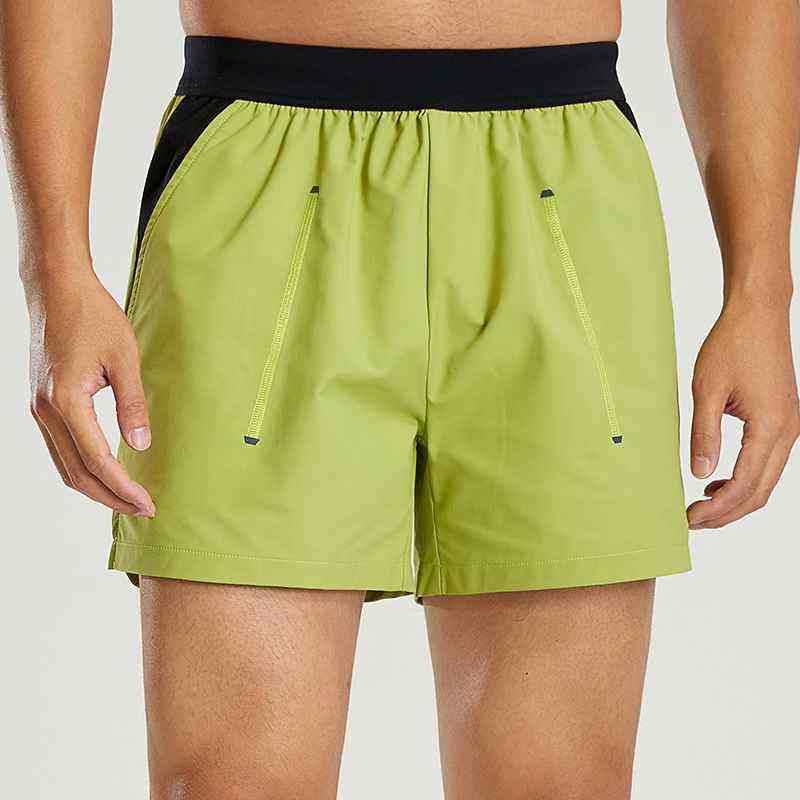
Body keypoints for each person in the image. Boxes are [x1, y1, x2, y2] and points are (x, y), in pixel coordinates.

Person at [2, 1, 798, 798]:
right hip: (262, 168)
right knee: (230, 783)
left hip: (563, 183)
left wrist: (761, 292)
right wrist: (53, 271)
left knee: (560, 785)